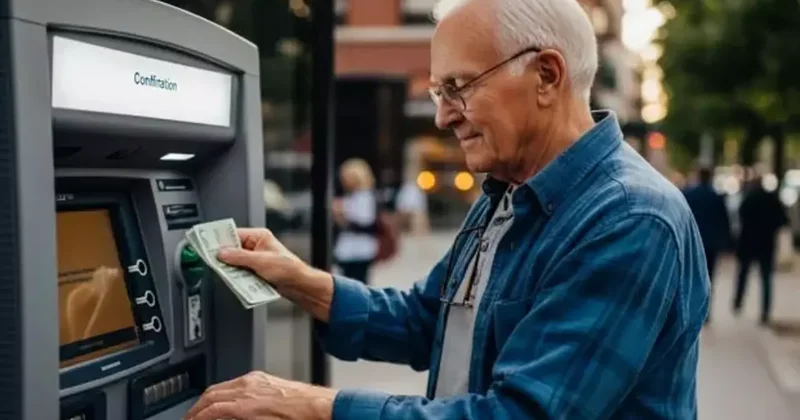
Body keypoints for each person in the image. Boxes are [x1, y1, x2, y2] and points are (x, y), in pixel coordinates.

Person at [185, 0, 709, 419]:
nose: (442, 117)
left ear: (547, 76)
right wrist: (300, 280)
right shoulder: (507, 191)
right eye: (439, 92)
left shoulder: (629, 219)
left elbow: (521, 413)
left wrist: (313, 405)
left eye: (457, 87)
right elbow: (425, 321)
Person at [733, 174, 788, 325]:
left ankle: (738, 301)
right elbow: (782, 220)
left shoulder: (748, 199)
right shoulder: (772, 199)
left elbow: (740, 217)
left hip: (748, 242)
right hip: (766, 244)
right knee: (766, 278)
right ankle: (765, 310)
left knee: (743, 274)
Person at [682, 166, 731, 323]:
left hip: (692, 242)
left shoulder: (688, 194)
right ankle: (705, 311)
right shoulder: (716, 197)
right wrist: (726, 242)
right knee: (708, 278)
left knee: (691, 277)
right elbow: (724, 220)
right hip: (711, 243)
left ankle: (691, 310)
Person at [332, 158, 380, 284]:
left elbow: (365, 224)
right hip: (349, 250)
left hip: (359, 250)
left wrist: (342, 216)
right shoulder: (352, 196)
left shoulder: (364, 197)